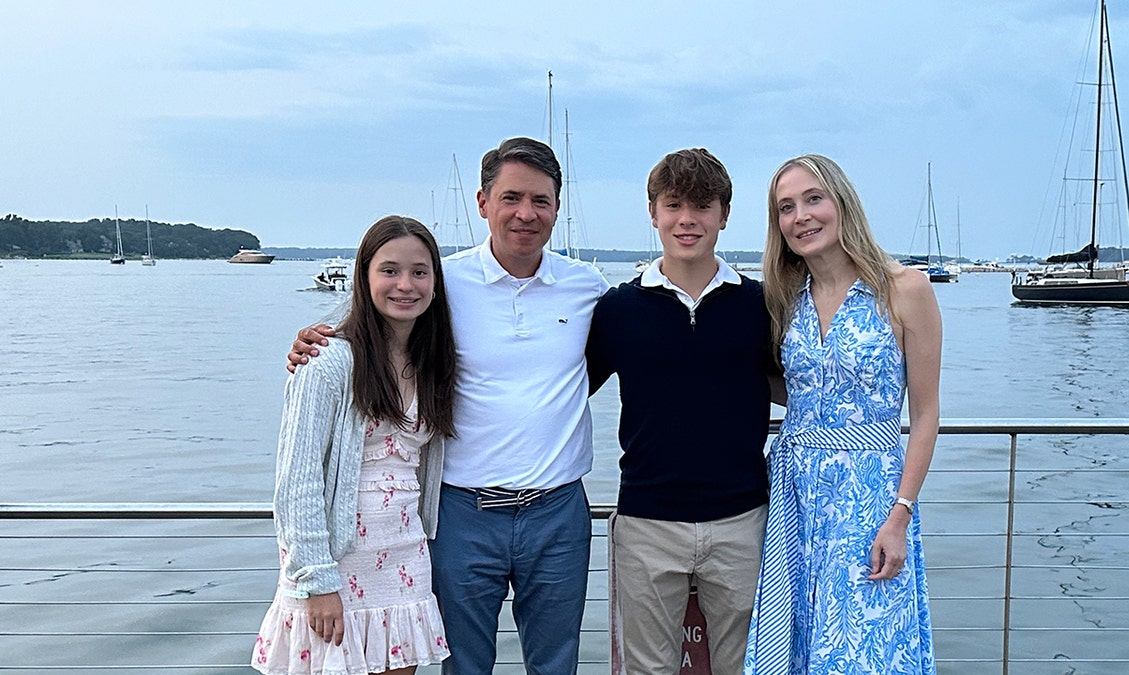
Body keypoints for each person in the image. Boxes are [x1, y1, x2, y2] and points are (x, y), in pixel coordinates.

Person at [288, 137, 610, 674]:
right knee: (462, 665)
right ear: (483, 203)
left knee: (557, 665)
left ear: (558, 206)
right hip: (461, 513)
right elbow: (373, 328)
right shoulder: (442, 283)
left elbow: (607, 365)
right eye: (511, 198)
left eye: (540, 200)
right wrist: (312, 347)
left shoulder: (589, 288)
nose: (525, 214)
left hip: (559, 513)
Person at [743, 154, 941, 674]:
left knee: (864, 646)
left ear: (841, 202)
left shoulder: (904, 289)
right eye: (786, 208)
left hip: (867, 497)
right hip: (792, 493)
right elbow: (795, 387)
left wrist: (900, 514)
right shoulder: (785, 298)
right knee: (797, 643)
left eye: (813, 199)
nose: (801, 216)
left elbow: (926, 414)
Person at [586, 148, 778, 675]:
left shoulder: (760, 305)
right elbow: (559, 389)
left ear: (724, 214)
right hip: (647, 520)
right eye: (673, 205)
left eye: (701, 206)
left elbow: (806, 384)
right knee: (649, 670)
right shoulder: (618, 310)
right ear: (653, 213)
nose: (686, 219)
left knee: (749, 665)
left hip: (743, 518)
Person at [252, 216, 456, 675]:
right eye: (389, 270)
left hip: (405, 562)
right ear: (364, 277)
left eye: (420, 272)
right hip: (337, 568)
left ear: (436, 283)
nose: (405, 284)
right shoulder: (327, 362)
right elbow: (296, 480)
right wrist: (316, 581)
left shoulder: (432, 363)